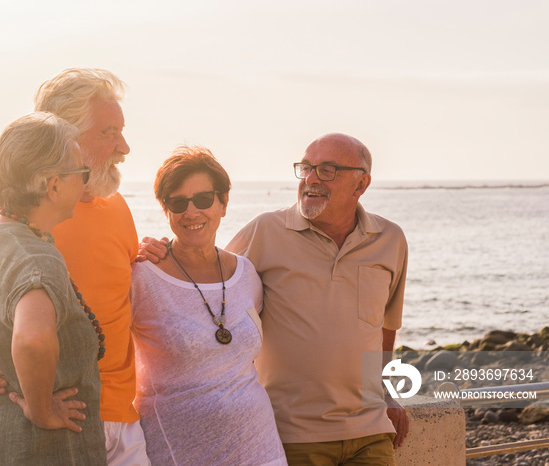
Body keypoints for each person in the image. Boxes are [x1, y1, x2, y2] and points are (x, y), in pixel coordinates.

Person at [0, 69, 148, 465]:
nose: (123, 146)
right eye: (108, 132)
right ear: (67, 136)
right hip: (60, 428)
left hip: (123, 421)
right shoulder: (6, 216)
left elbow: (118, 296)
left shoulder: (119, 208)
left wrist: (160, 255)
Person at [140, 134, 409, 465]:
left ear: (361, 183)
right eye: (306, 168)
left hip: (370, 431)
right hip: (291, 435)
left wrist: (387, 395)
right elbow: (206, 270)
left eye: (327, 170)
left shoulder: (390, 240)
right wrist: (158, 249)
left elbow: (384, 329)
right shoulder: (265, 231)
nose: (310, 179)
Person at [0, 112, 105, 465]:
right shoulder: (36, 256)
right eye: (82, 172)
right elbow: (32, 339)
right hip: (36, 451)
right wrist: (40, 409)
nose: (86, 181)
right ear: (52, 186)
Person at [131, 145, 287, 465]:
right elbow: (94, 334)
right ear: (166, 210)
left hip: (261, 449)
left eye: (203, 200)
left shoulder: (247, 275)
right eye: (178, 202)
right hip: (180, 452)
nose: (191, 212)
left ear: (224, 203)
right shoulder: (141, 276)